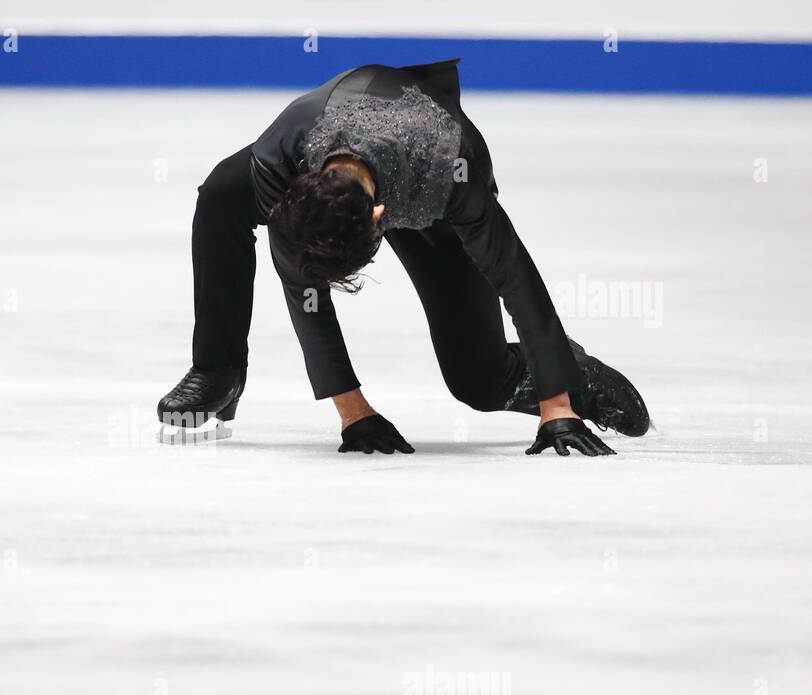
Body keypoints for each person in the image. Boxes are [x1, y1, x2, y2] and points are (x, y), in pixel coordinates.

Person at [157, 59, 649, 457]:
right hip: (336, 139)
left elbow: (512, 272)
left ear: (379, 217)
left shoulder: (449, 174)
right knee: (220, 198)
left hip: (429, 177)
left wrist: (556, 404)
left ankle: (573, 370)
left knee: (478, 381)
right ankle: (217, 371)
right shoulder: (282, 163)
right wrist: (353, 411)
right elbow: (301, 283)